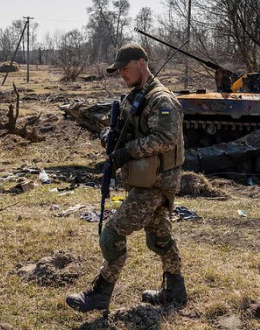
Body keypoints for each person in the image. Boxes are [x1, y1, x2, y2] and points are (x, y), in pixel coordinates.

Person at [66, 44, 187, 312]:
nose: (121, 72)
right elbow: (123, 131)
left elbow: (166, 138)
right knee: (159, 237)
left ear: (142, 62)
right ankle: (175, 291)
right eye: (118, 69)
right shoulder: (136, 97)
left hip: (157, 182)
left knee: (112, 233)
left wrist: (127, 151)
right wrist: (108, 136)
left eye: (125, 67)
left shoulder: (161, 99)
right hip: (147, 181)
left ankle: (100, 294)